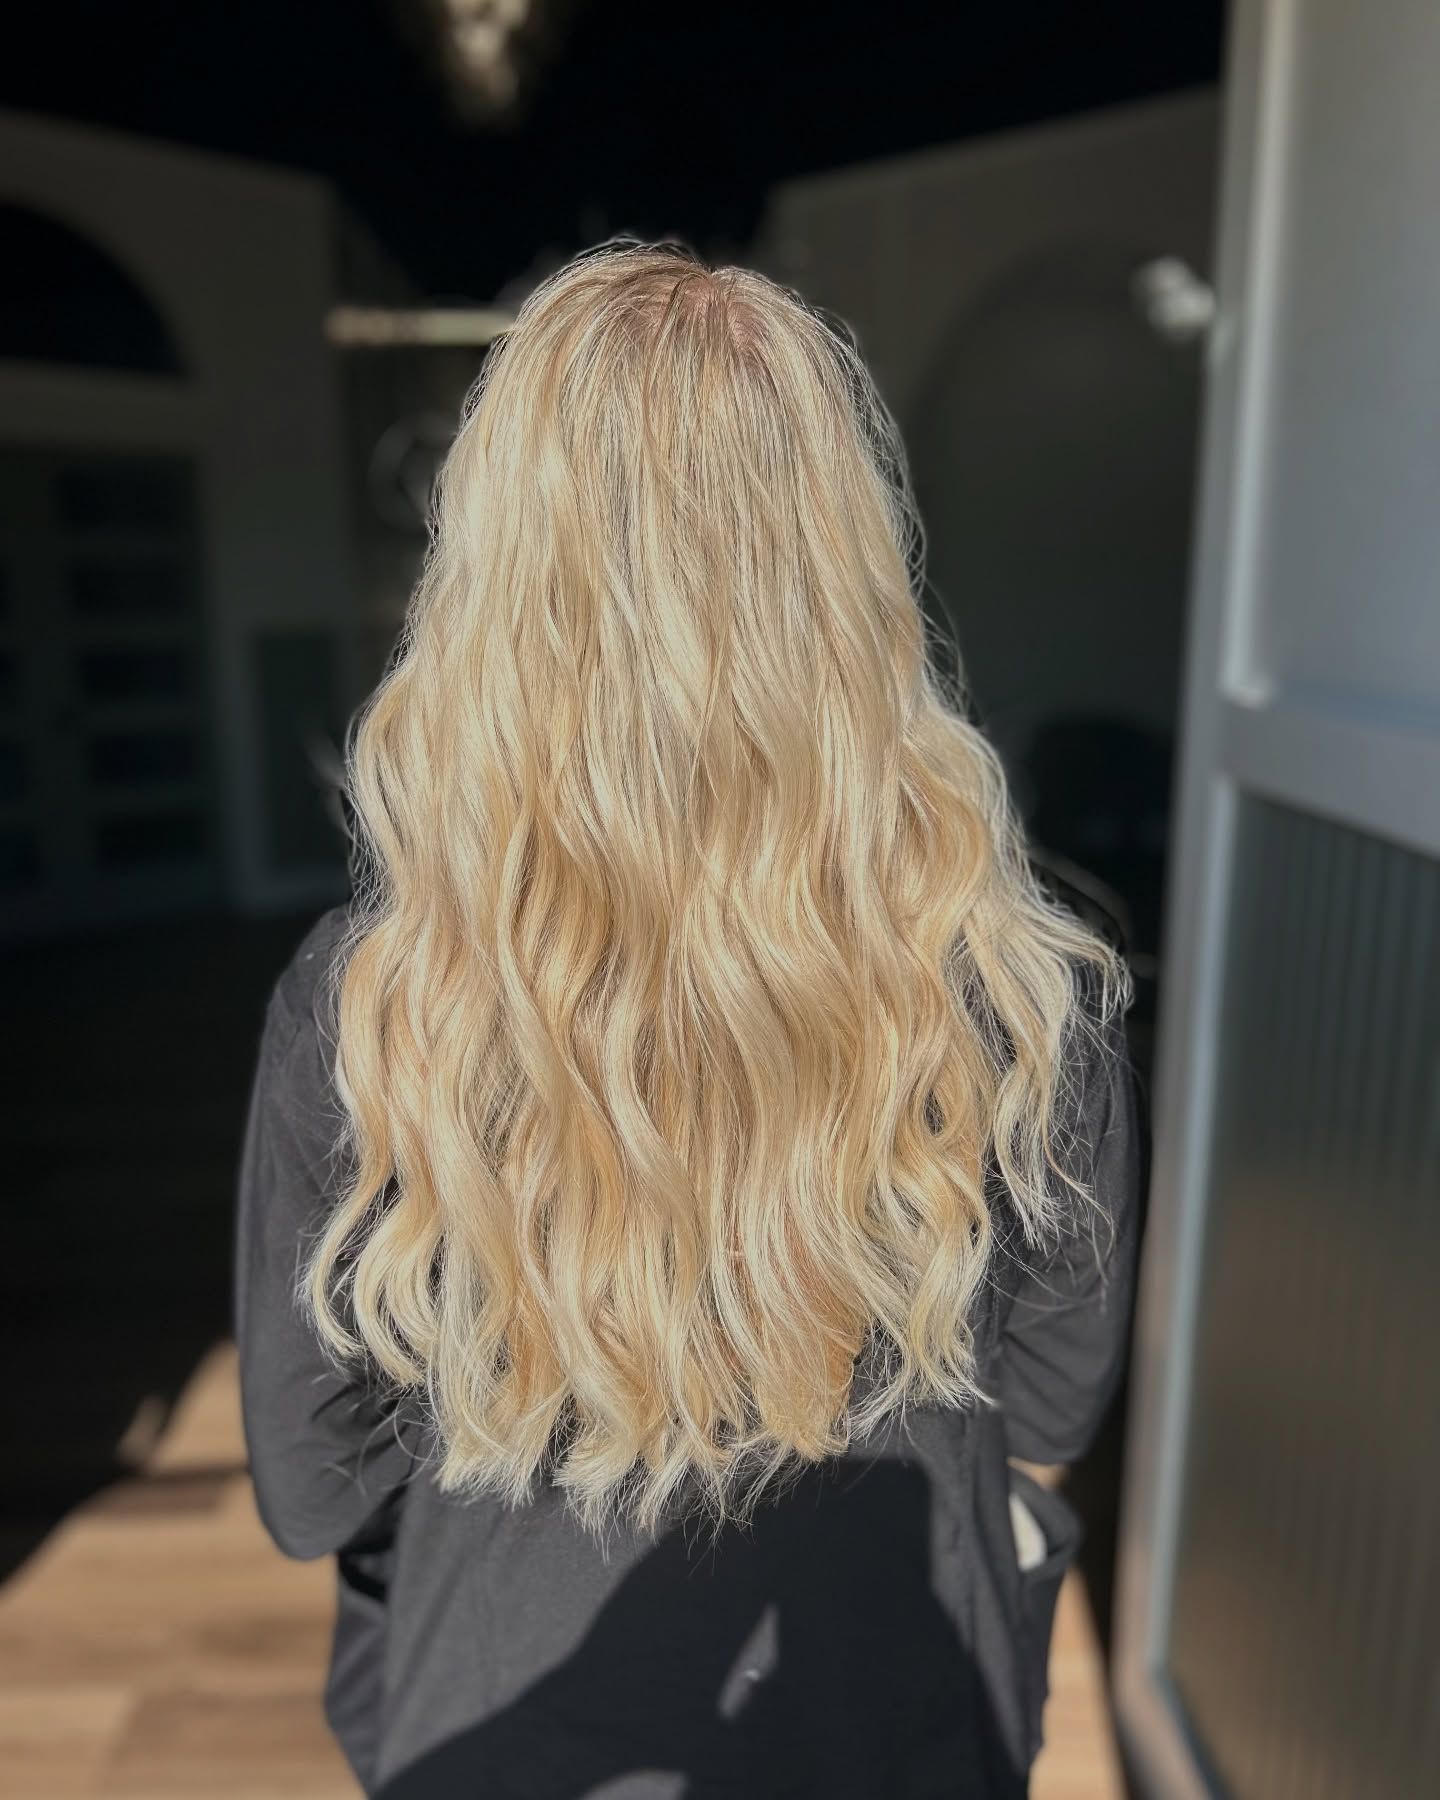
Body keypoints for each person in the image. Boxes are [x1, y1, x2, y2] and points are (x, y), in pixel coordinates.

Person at [235, 242, 1144, 1799]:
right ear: (847, 566)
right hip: (894, 1726)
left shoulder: (371, 999)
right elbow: (1053, 1401)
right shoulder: (1023, 981)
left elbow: (312, 1488)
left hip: (512, 1726)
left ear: (493, 572)